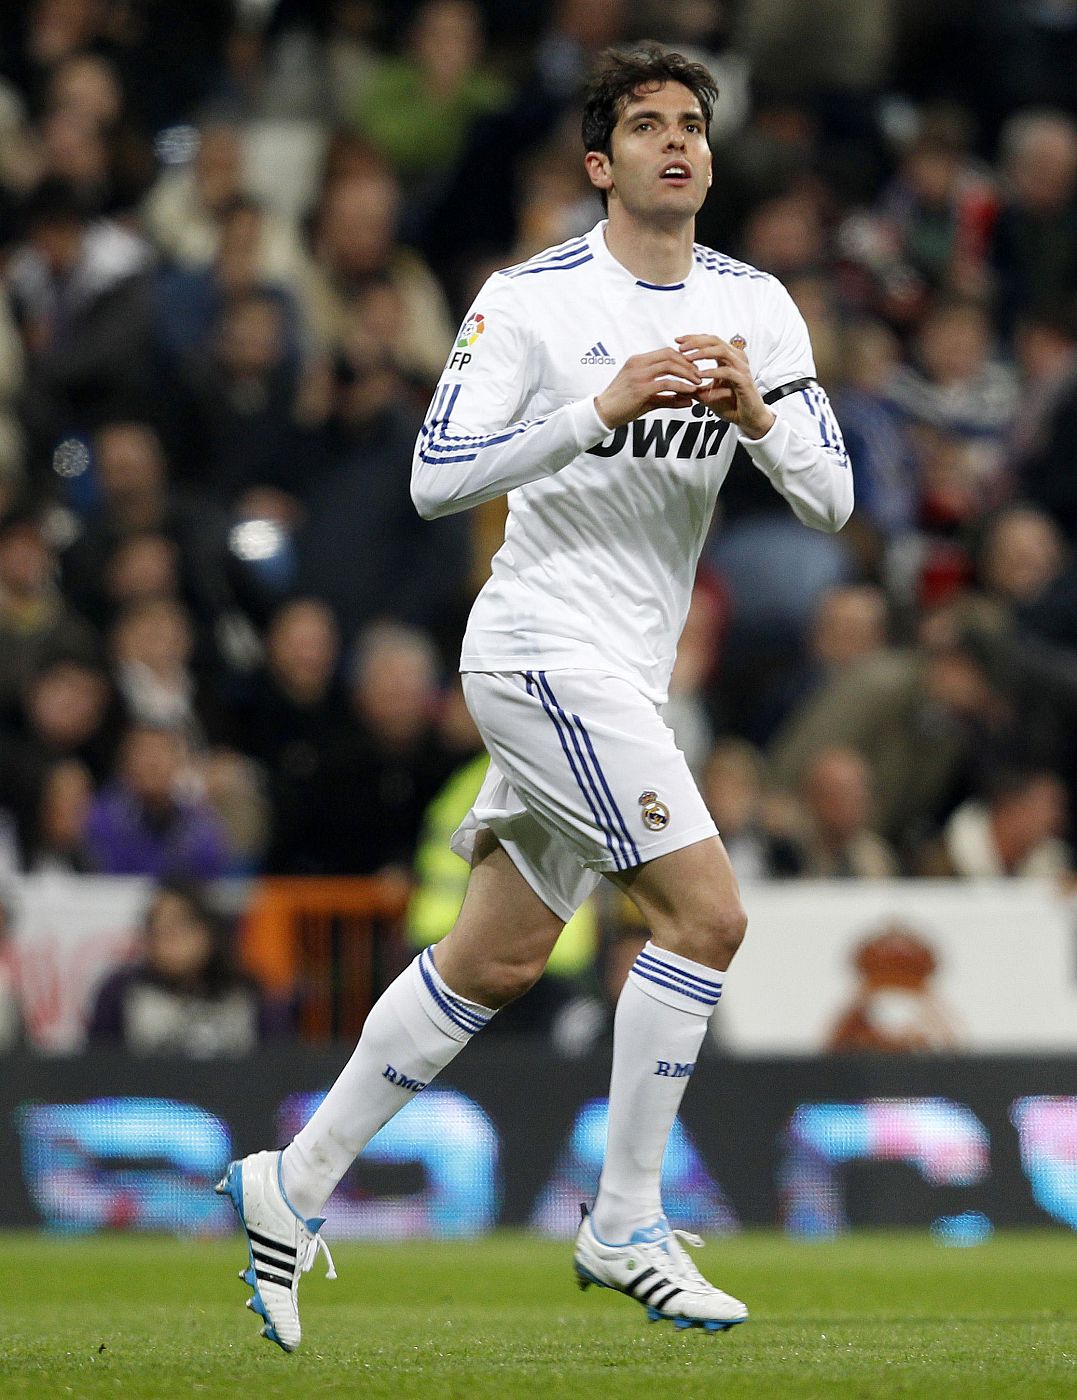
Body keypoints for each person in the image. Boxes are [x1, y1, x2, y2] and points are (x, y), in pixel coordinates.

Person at [217, 43, 852, 1352]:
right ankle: (623, 1216)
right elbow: (435, 477)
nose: (674, 142)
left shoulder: (759, 308)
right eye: (645, 125)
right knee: (707, 917)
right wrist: (592, 410)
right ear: (597, 162)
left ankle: (293, 1182)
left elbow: (835, 501)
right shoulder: (531, 300)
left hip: (626, 675)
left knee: (497, 957)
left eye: (690, 124)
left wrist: (759, 418)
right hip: (534, 647)